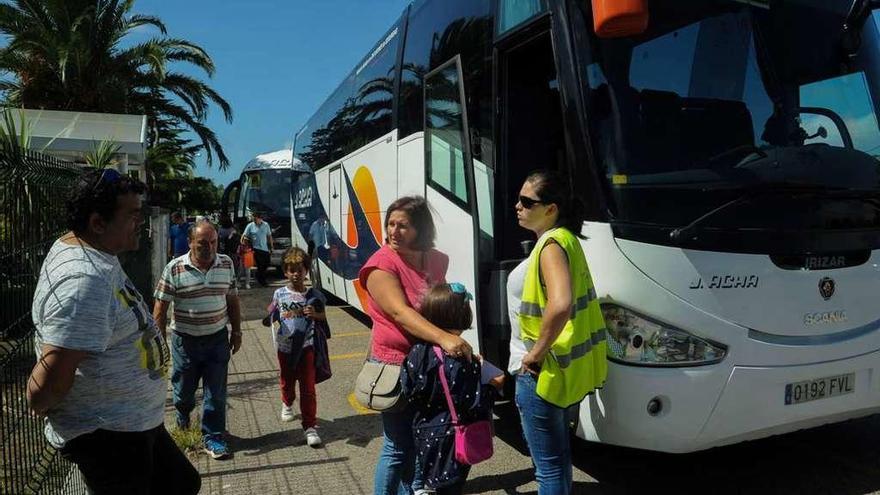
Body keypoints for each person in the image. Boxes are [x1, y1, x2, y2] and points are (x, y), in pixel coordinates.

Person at [26, 168, 200, 494]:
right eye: (133, 215)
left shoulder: (96, 253)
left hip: (130, 424)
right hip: (109, 435)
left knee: (183, 483)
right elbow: (52, 376)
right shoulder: (84, 280)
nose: (143, 222)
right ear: (98, 223)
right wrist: (39, 400)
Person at [358, 195, 472, 495]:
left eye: (403, 225)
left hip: (429, 364)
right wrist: (446, 338)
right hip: (395, 365)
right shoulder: (381, 264)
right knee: (397, 446)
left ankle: (415, 490)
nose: (394, 231)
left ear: (421, 229)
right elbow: (400, 313)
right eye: (391, 224)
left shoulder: (436, 260)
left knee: (423, 437)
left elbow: (440, 307)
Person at [507, 170, 608, 495]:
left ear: (551, 208)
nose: (517, 206)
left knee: (548, 469)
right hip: (563, 370)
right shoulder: (566, 238)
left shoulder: (551, 244)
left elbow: (561, 303)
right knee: (560, 461)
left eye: (526, 201)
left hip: (543, 372)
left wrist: (534, 354)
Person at [401, 283, 503, 495]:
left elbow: (409, 389)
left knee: (437, 485)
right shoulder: (461, 358)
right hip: (451, 437)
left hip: (424, 431)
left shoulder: (417, 351)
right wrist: (494, 385)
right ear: (463, 316)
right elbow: (474, 402)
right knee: (451, 487)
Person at [153, 220, 242, 460]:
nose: (210, 247)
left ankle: (213, 436)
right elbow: (160, 308)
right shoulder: (175, 268)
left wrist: (237, 331)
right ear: (190, 242)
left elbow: (232, 300)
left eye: (214, 242)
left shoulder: (226, 264)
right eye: (203, 243)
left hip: (217, 340)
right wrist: (160, 343)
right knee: (183, 392)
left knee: (216, 392)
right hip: (186, 342)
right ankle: (183, 422)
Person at [262, 247, 331, 447]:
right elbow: (272, 312)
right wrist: (270, 317)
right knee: (287, 379)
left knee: (308, 387)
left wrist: (315, 314)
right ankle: (287, 401)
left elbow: (323, 317)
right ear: (285, 271)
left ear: (306, 271)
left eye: (299, 270)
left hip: (307, 347)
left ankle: (309, 426)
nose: (295, 274)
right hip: (285, 348)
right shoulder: (279, 293)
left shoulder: (314, 295)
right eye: (291, 270)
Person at [241, 211, 274, 286]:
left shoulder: (266, 225)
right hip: (255, 248)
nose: (254, 220)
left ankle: (259, 276)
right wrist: (243, 243)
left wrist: (271, 246)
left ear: (260, 218)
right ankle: (262, 281)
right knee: (260, 265)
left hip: (265, 248)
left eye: (256, 219)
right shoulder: (250, 225)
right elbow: (244, 235)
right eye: (253, 219)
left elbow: (269, 236)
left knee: (266, 264)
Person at [218, 213, 241, 281]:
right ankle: (234, 278)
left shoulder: (221, 230)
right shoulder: (233, 230)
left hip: (223, 250)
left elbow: (219, 239)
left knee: (223, 264)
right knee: (234, 265)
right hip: (233, 250)